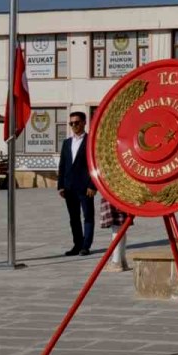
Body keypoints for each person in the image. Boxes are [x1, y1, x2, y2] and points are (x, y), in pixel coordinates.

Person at [58, 111, 96, 257]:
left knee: (88, 216)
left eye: (77, 122)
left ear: (84, 123)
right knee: (74, 218)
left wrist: (93, 185)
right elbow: (63, 165)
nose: (74, 125)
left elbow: (95, 165)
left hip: (85, 187)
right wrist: (61, 185)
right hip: (69, 187)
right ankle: (77, 244)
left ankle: (86, 245)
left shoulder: (91, 141)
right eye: (71, 123)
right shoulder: (67, 143)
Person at [99, 195, 130, 272]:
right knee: (121, 226)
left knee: (116, 226)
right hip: (123, 192)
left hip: (112, 192)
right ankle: (122, 260)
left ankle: (116, 262)